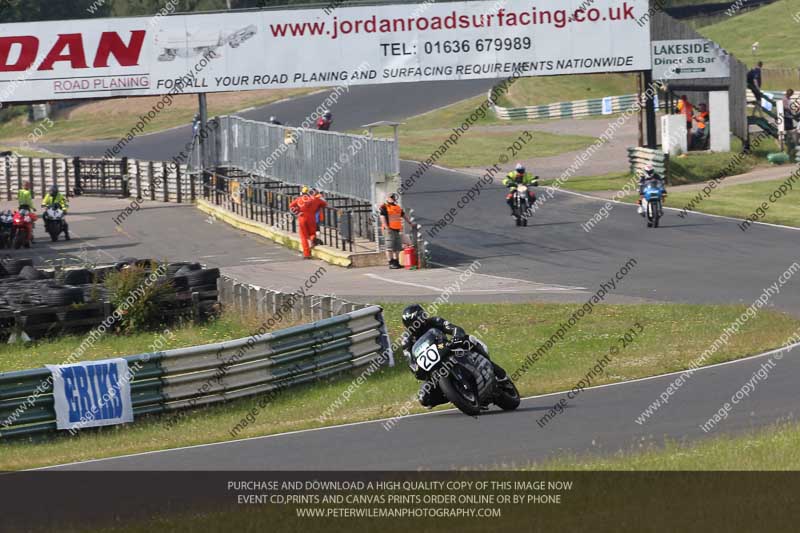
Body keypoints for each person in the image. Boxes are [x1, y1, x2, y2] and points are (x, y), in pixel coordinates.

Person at [401, 304, 509, 408]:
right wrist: (417, 369)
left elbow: (453, 328)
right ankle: (456, 394)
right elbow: (410, 361)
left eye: (422, 316)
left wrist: (457, 336)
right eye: (418, 319)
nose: (422, 320)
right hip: (432, 366)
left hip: (447, 347)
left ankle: (499, 375)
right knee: (423, 397)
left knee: (468, 340)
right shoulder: (406, 340)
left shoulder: (435, 321)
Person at [289, 186, 327, 259]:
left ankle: (307, 254)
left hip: (302, 217)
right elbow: (324, 204)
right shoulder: (315, 199)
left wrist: (298, 212)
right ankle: (313, 240)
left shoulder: (299, 199)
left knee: (303, 237)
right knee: (312, 233)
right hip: (312, 218)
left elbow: (291, 206)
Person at [379, 192, 412, 269]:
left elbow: (403, 216)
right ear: (387, 198)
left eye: (393, 197)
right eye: (390, 197)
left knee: (397, 247)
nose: (392, 199)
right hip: (389, 230)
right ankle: (390, 262)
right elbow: (382, 218)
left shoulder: (397, 207)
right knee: (389, 247)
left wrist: (410, 223)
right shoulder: (384, 207)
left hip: (397, 229)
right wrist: (387, 228)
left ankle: (396, 262)